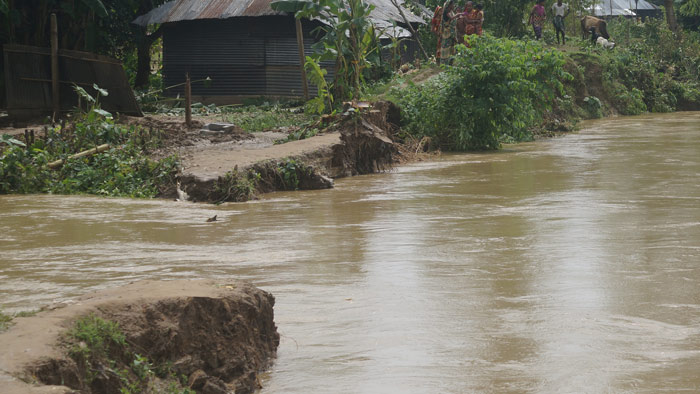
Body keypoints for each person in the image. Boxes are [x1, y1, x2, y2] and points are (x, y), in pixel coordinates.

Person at [438, 0, 457, 64]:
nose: (453, 5)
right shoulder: (446, 12)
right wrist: (459, 14)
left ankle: (450, 61)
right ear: (449, 5)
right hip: (447, 32)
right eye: (452, 4)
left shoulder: (451, 11)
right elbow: (451, 18)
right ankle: (445, 62)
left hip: (451, 32)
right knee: (446, 46)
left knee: (451, 46)